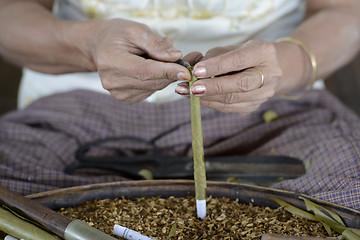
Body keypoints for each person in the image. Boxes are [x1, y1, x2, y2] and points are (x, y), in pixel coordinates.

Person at [0, 0, 360, 210]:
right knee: (16, 202)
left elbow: (343, 12)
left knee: (345, 195)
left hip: (271, 104)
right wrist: (88, 45)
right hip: (75, 104)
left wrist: (286, 65)